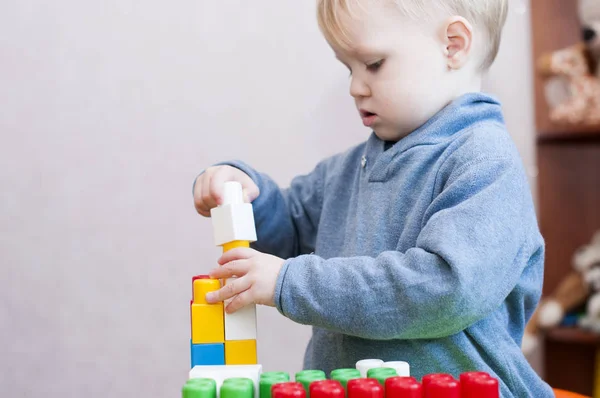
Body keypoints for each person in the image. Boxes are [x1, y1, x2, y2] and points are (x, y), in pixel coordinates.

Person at [193, 0, 553, 396]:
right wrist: (244, 195)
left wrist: (289, 282)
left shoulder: (485, 161)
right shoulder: (348, 170)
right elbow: (288, 226)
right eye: (349, 68)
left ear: (453, 45)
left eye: (374, 64)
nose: (354, 87)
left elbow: (445, 288)